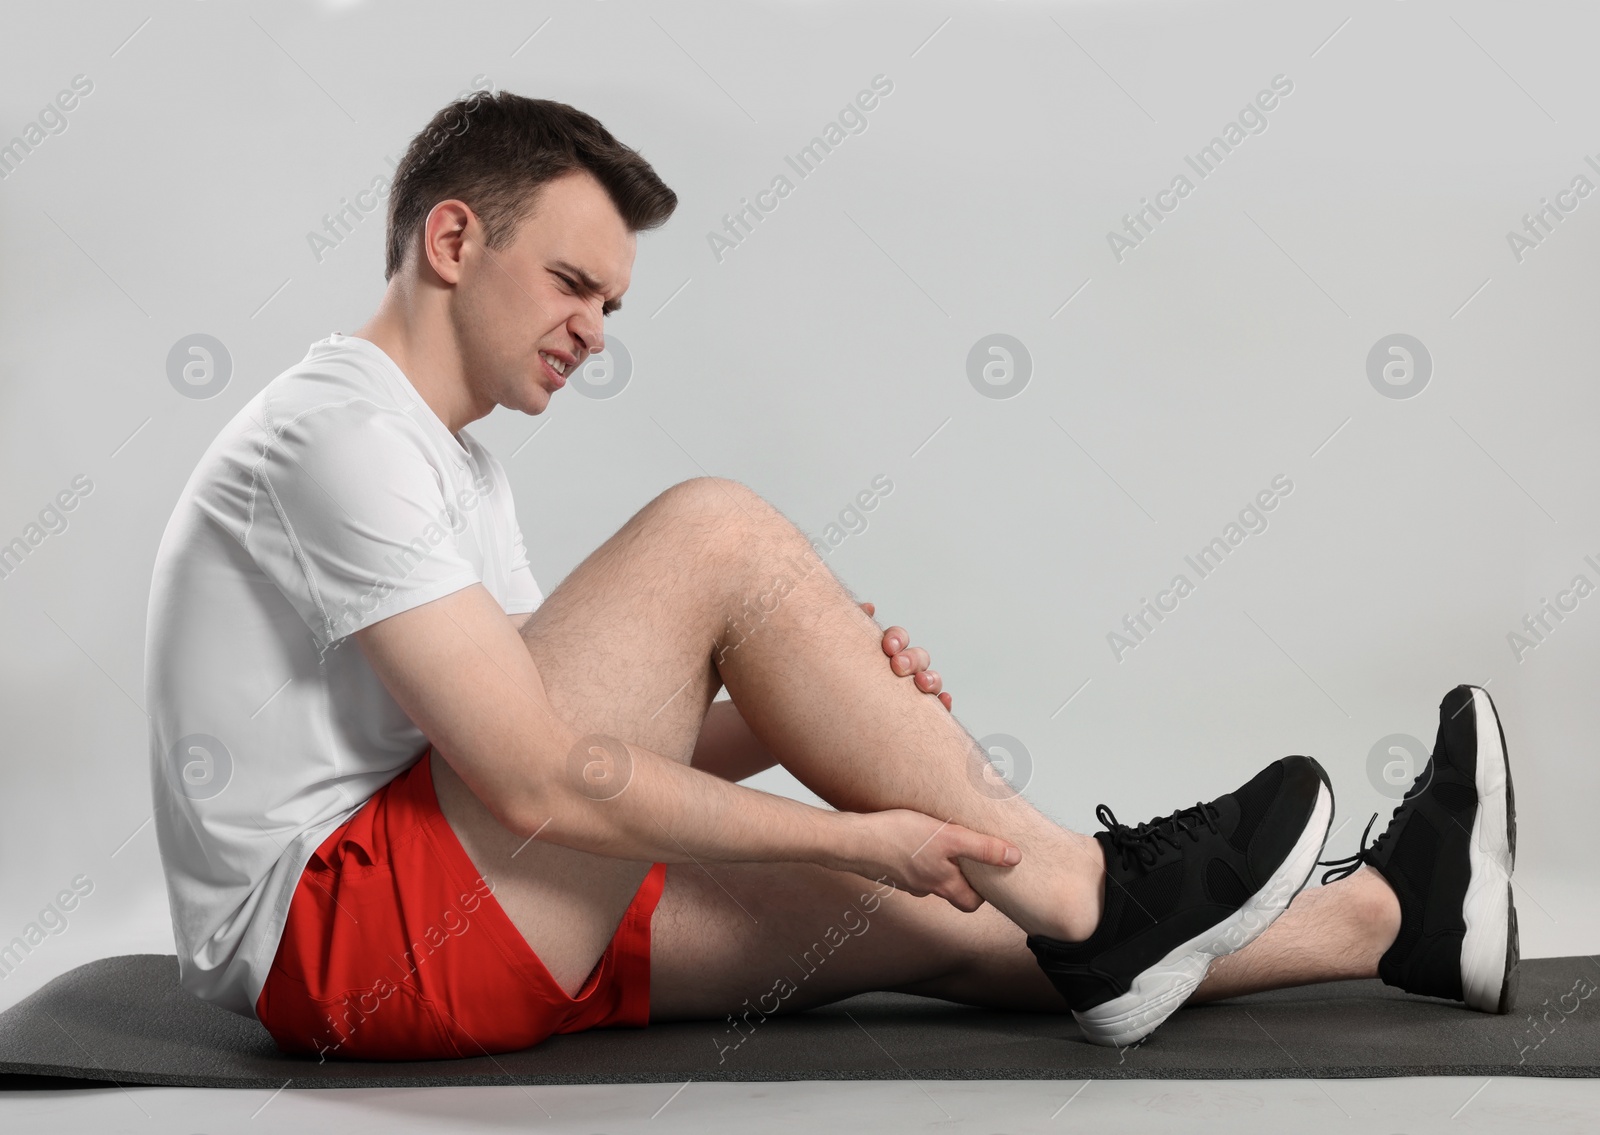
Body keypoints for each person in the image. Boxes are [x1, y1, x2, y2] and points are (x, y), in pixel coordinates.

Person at [145, 91, 1518, 1062]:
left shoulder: (458, 472)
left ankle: (1400, 918)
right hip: (352, 944)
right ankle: (1094, 899)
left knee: (926, 914)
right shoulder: (338, 432)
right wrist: (849, 822)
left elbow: (583, 756)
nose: (594, 332)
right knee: (718, 531)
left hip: (453, 916)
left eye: (613, 305)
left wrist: (812, 712)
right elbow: (539, 782)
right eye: (573, 282)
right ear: (453, 242)